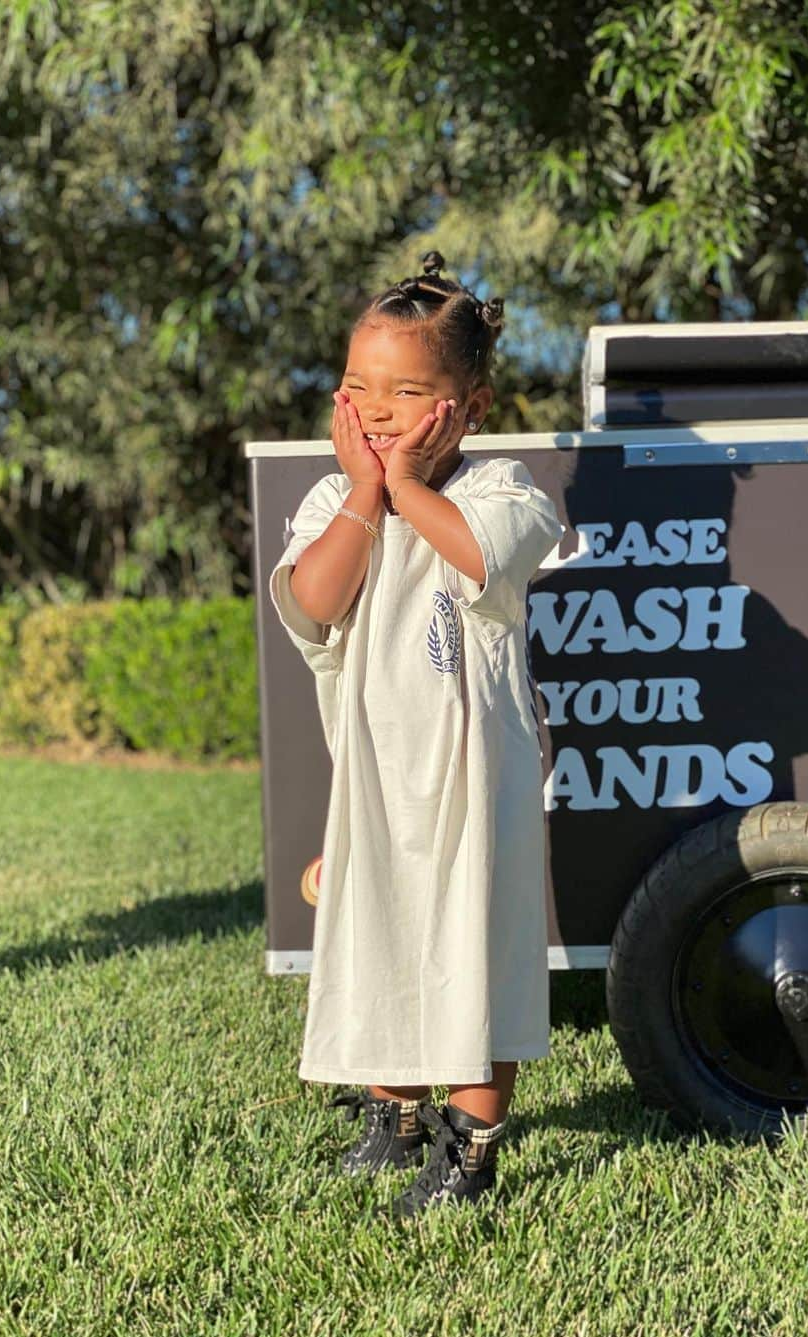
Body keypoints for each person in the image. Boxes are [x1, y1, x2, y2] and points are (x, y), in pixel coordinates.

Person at [268, 250, 564, 1218]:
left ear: (471, 407)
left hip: (481, 789)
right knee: (383, 938)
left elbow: (482, 557)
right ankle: (392, 1113)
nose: (380, 410)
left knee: (481, 951)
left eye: (409, 391)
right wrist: (365, 491)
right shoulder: (332, 503)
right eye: (359, 389)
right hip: (378, 786)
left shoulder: (503, 493)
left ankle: (472, 1147)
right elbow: (314, 601)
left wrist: (401, 484)